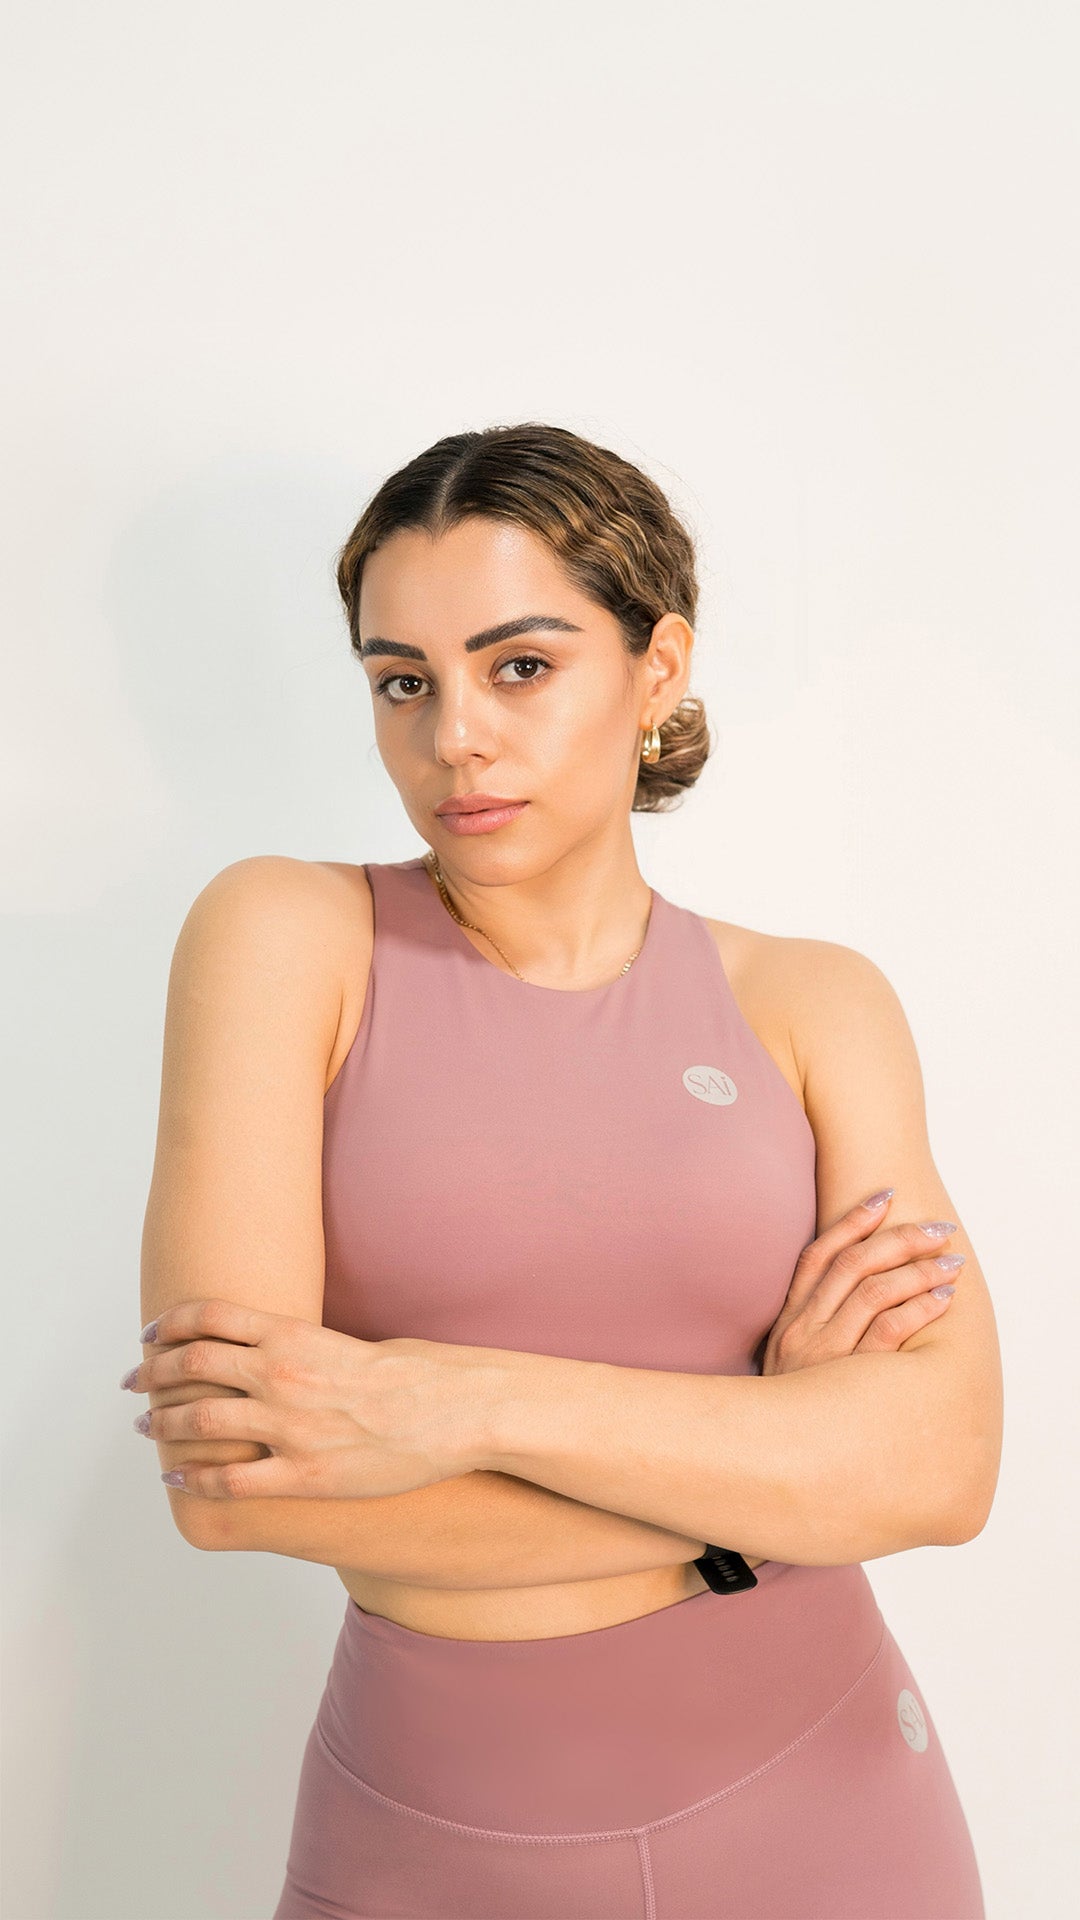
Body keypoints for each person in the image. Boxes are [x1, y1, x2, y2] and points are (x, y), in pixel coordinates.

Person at [135, 422, 1002, 1918]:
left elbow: (943, 1469)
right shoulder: (288, 939)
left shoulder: (812, 1003)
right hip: (427, 1843)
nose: (453, 735)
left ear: (656, 667)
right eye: (403, 680)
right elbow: (235, 1482)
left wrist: (461, 1402)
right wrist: (776, 1472)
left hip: (836, 1811)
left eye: (519, 666)